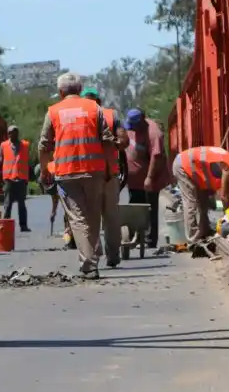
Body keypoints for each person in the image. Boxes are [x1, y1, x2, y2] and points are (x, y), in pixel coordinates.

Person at [38, 72, 116, 279]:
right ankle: (91, 256)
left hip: (66, 173)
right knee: (92, 215)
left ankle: (89, 264)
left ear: (60, 91)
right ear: (80, 90)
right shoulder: (94, 108)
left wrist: (45, 169)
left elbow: (44, 145)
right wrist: (110, 168)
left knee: (78, 219)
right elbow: (108, 140)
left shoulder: (53, 112)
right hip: (94, 171)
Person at [80, 87, 129, 267]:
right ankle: (108, 255)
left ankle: (100, 255)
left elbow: (123, 142)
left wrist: (112, 143)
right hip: (104, 175)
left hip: (92, 176)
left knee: (93, 219)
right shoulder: (110, 116)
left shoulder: (78, 118)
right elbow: (124, 142)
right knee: (109, 217)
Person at [172, 146, 229, 243]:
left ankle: (204, 231)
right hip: (183, 165)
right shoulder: (228, 166)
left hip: (189, 165)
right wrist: (228, 217)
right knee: (191, 202)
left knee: (203, 200)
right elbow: (224, 196)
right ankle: (193, 238)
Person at [124, 107, 167, 247]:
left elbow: (156, 157)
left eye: (134, 126)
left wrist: (149, 178)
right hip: (134, 181)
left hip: (150, 179)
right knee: (134, 207)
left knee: (149, 208)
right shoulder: (131, 127)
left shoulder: (154, 133)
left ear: (142, 121)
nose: (132, 129)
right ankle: (132, 237)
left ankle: (149, 239)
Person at [0, 125, 31, 232]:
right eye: (9, 132)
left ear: (17, 133)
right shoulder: (3, 145)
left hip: (21, 178)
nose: (11, 134)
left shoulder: (25, 145)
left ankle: (23, 225)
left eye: (13, 132)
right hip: (8, 179)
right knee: (7, 204)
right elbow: (0, 160)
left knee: (21, 204)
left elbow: (27, 161)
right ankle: (5, 226)